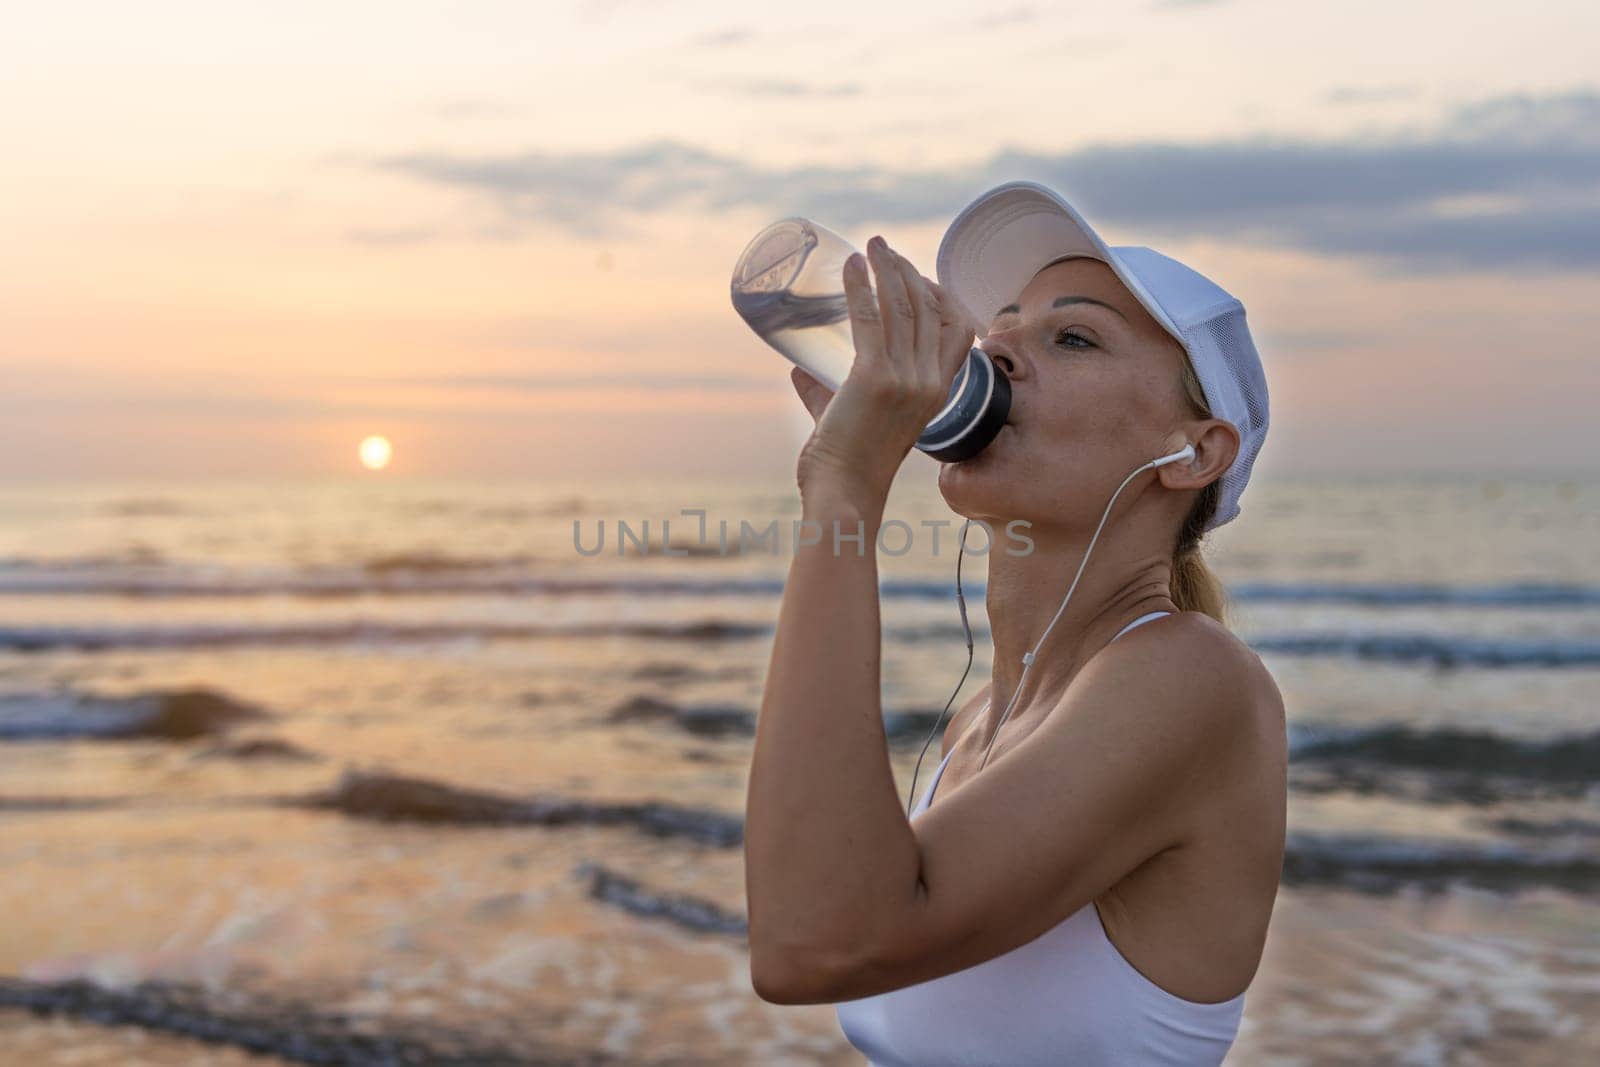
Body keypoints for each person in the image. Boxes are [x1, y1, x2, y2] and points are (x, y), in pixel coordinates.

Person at [743, 181, 1287, 1066]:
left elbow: (814, 940)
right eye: (998, 324)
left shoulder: (1194, 678)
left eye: (1072, 336)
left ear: (1194, 452)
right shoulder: (976, 725)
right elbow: (813, 913)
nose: (996, 348)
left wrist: (843, 488)